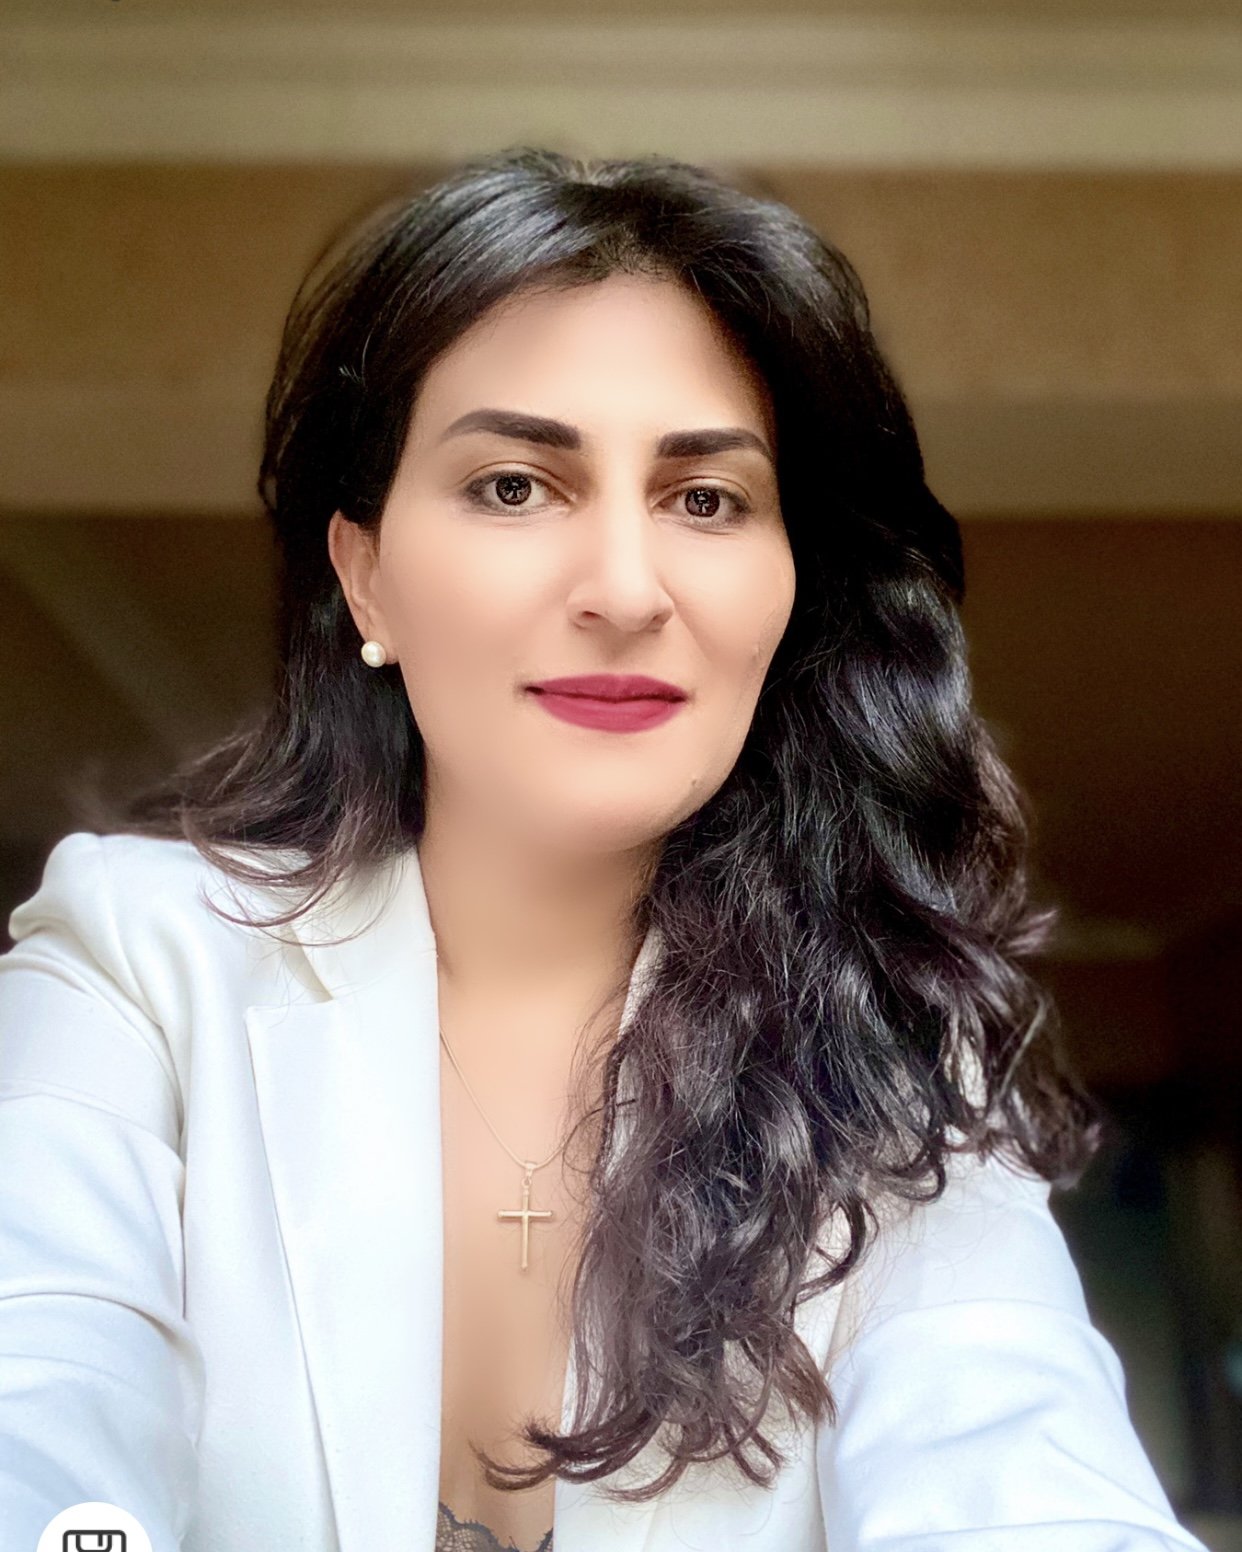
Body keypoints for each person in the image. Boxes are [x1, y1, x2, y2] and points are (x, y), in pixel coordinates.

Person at [0, 146, 1210, 1552]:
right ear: (365, 571)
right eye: (516, 486)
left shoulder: (885, 1045)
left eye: (705, 500)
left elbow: (1023, 1482)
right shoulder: (142, 963)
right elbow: (40, 1398)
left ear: (791, 584)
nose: (626, 591)